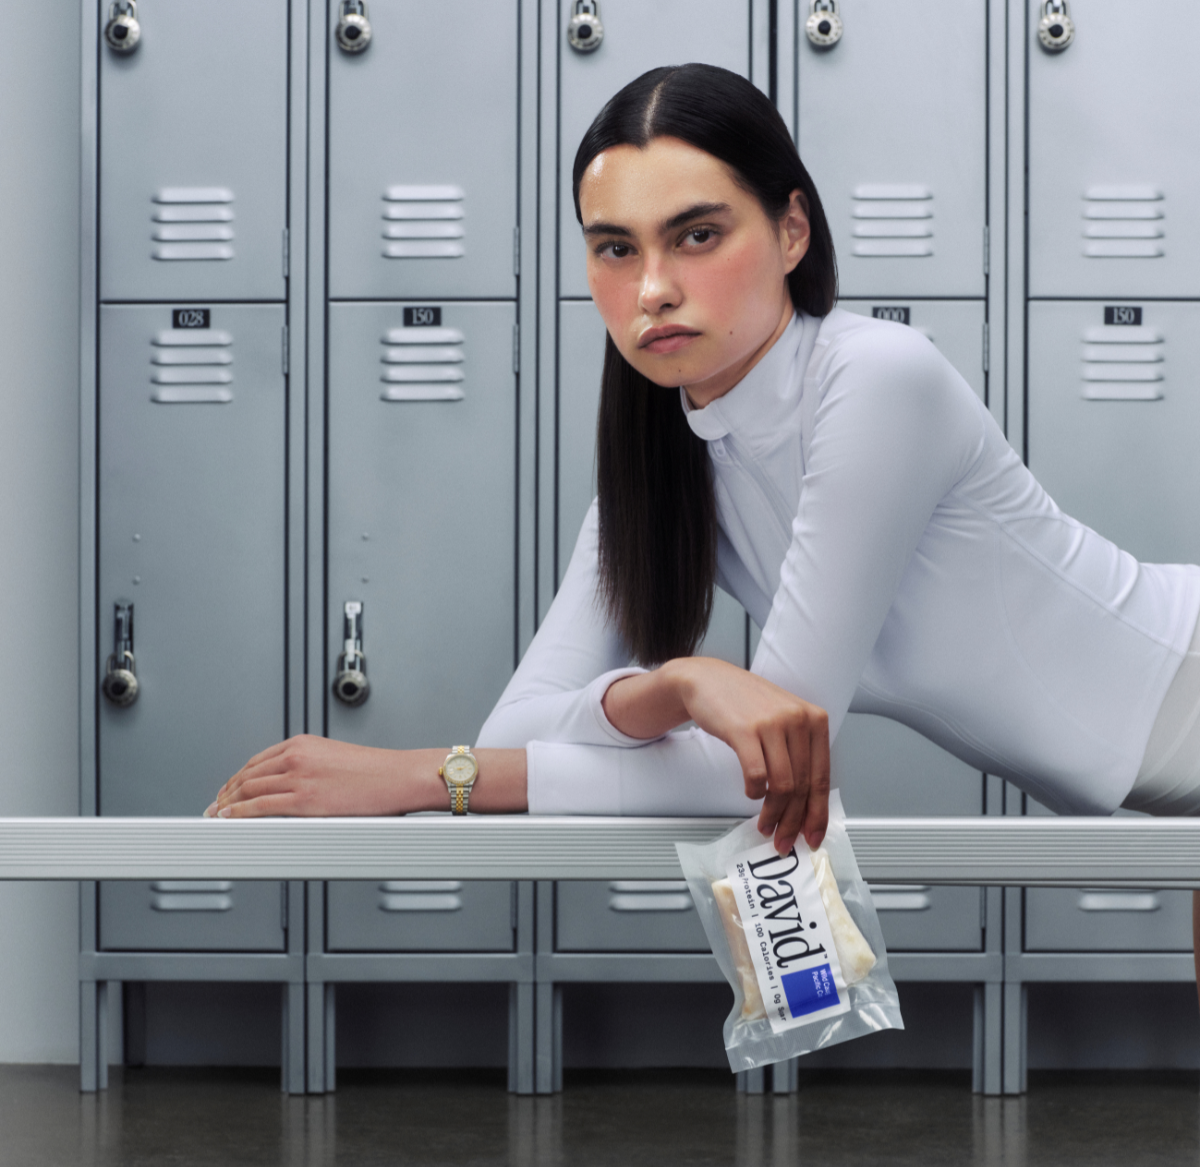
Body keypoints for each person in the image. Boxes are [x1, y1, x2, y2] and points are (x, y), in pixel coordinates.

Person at [207, 63, 1200, 987]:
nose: (652, 289)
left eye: (696, 234)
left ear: (792, 232)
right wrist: (678, 683)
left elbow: (749, 774)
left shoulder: (875, 379)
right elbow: (516, 729)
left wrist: (423, 777)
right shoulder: (663, 459)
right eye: (614, 248)